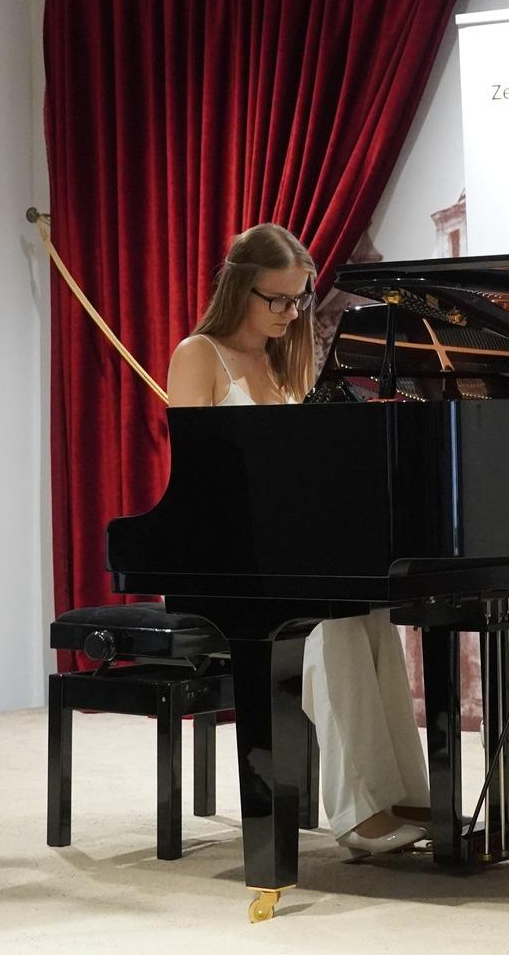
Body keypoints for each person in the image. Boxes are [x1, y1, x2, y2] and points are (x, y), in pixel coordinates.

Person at [165, 224, 430, 854]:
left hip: (287, 552)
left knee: (370, 614)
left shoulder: (288, 362)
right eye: (277, 299)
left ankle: (404, 795)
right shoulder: (198, 354)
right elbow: (196, 482)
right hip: (227, 561)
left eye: (298, 298)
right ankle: (359, 814)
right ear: (240, 289)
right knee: (329, 627)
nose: (290, 312)